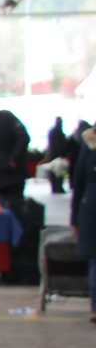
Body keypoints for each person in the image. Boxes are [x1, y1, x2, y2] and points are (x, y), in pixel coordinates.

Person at [72, 126, 96, 324]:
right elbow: (78, 183)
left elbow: (78, 183)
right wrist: (74, 218)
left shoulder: (88, 146)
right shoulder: (88, 146)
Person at [45, 117, 68, 193]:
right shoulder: (59, 131)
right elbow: (59, 144)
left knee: (53, 172)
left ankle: (54, 187)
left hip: (51, 154)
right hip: (57, 155)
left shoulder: (52, 131)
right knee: (59, 172)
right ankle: (58, 187)